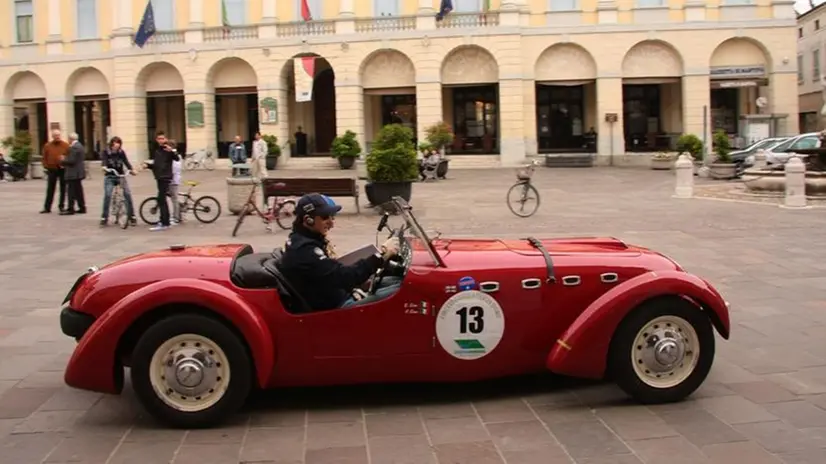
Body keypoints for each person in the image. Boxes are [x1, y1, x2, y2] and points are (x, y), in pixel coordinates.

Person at [278, 193, 401, 311]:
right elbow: (345, 276)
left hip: (337, 295)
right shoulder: (305, 250)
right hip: (338, 307)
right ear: (308, 220)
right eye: (325, 218)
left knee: (398, 281)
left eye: (332, 217)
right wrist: (381, 255)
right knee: (402, 290)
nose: (331, 223)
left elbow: (333, 276)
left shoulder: (301, 240)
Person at [143, 131, 180, 231]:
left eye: (163, 138)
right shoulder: (157, 151)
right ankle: (164, 221)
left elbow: (177, 158)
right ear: (156, 140)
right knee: (162, 199)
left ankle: (164, 222)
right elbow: (156, 165)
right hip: (159, 177)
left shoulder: (168, 150)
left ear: (166, 139)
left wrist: (172, 151)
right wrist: (148, 165)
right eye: (159, 139)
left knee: (161, 199)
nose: (161, 140)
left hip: (165, 177)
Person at [99, 136, 137, 226]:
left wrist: (131, 170)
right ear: (111, 144)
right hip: (110, 176)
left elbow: (126, 162)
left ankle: (132, 216)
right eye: (115, 145)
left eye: (118, 145)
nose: (116, 147)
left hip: (120, 175)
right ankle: (104, 217)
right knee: (108, 195)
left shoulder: (121, 152)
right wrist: (104, 167)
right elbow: (104, 161)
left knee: (127, 193)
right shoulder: (106, 152)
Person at [40, 129, 69, 213]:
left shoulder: (65, 145)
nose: (57, 137)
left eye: (58, 135)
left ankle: (61, 206)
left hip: (62, 169)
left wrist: (65, 162)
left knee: (63, 188)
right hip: (52, 169)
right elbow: (44, 157)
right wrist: (46, 166)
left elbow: (69, 156)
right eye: (55, 135)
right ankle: (47, 207)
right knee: (50, 189)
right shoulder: (47, 146)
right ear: (52, 136)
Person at [61, 132, 86, 215]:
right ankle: (82, 207)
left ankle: (70, 208)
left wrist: (62, 160)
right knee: (78, 191)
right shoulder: (80, 146)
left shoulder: (74, 147)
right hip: (78, 172)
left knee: (71, 191)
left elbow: (71, 161)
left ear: (71, 139)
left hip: (73, 173)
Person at [169, 140, 182, 225]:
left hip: (173, 179)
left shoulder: (174, 155)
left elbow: (174, 168)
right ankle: (178, 214)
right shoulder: (177, 154)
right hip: (174, 179)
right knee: (174, 198)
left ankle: (176, 217)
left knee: (174, 199)